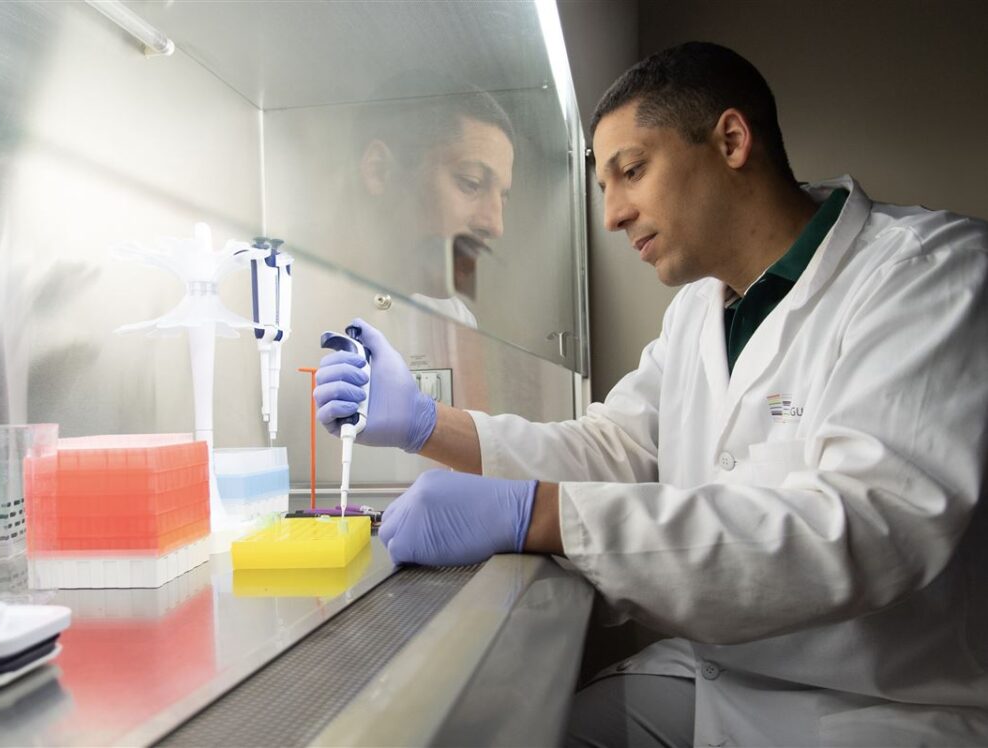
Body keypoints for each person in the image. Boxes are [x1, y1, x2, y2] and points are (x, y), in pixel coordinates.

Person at [313, 42, 988, 746]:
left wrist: (535, 513)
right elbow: (615, 447)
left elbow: (865, 530)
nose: (612, 215)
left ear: (731, 141)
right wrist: (426, 424)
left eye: (631, 172)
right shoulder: (699, 308)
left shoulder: (928, 276)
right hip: (718, 677)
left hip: (883, 707)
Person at [346, 73, 515, 328]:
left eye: (502, 198)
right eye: (471, 183)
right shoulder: (294, 292)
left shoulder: (454, 319)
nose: (495, 226)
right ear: (379, 170)